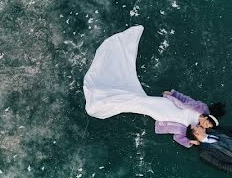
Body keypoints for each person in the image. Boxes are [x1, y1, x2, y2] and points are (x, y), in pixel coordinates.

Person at [83, 26, 224, 145]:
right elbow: (186, 100)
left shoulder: (192, 129)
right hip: (165, 105)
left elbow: (178, 137)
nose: (205, 127)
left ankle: (105, 100)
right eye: (207, 124)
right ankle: (107, 96)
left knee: (139, 105)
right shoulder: (201, 108)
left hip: (162, 115)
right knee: (141, 100)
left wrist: (190, 142)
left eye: (207, 127)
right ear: (207, 118)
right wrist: (173, 94)